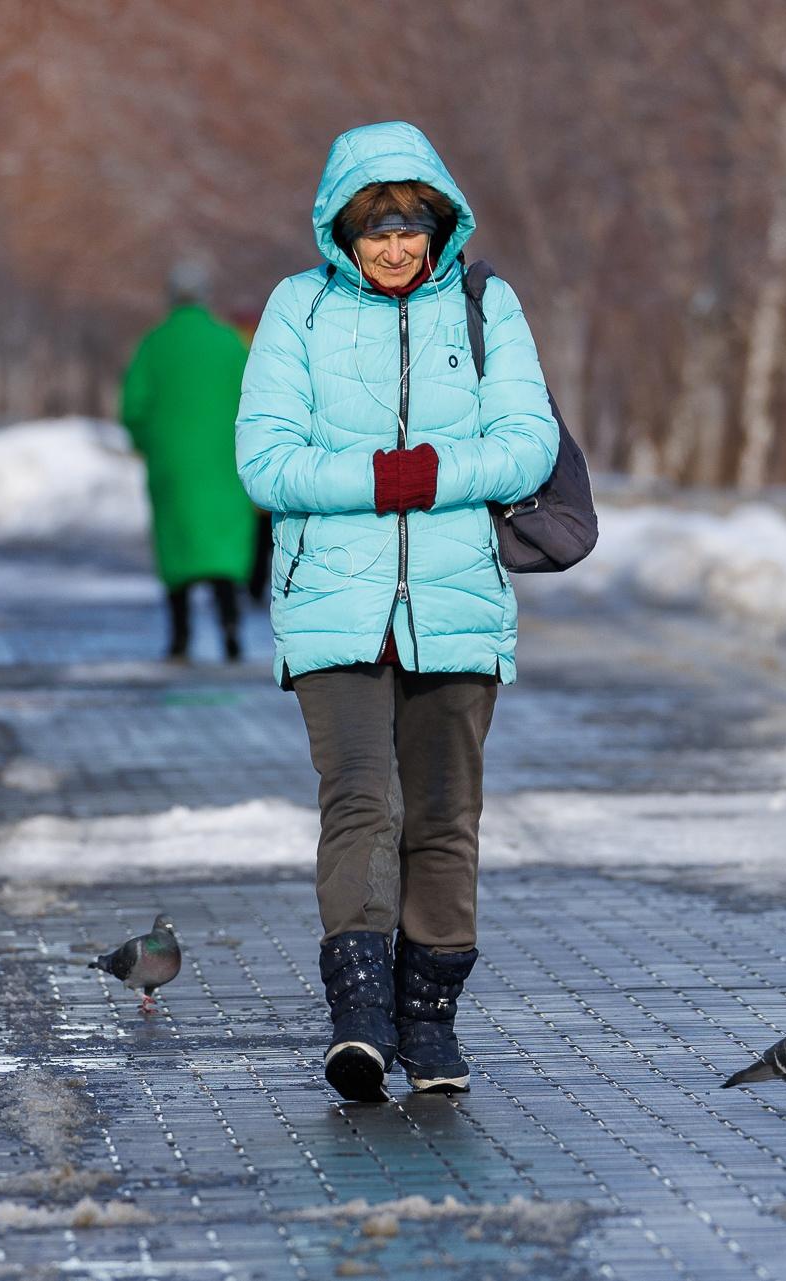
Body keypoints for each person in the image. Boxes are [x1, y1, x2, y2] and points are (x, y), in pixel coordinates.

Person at [236, 121, 558, 1102]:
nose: (395, 246)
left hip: (458, 605)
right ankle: (362, 1018)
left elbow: (527, 442)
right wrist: (389, 479)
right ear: (341, 230)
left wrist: (430, 470)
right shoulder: (298, 309)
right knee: (364, 805)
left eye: (412, 225)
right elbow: (266, 462)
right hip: (335, 609)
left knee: (446, 818)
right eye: (375, 228)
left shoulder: (484, 304)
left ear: (440, 223)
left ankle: (430, 1020)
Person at [119, 260, 257, 662]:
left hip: (173, 467)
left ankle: (179, 636)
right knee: (223, 549)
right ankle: (231, 628)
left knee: (177, 547)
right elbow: (256, 397)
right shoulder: (229, 343)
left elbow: (132, 408)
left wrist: (153, 444)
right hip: (223, 465)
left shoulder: (154, 344)